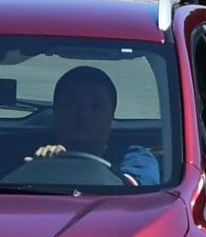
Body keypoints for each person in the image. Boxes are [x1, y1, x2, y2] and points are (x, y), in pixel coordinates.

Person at [33, 65, 161, 184]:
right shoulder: (31, 155)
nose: (84, 115)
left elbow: (137, 196)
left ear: (111, 115)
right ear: (56, 111)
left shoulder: (136, 158)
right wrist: (40, 168)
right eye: (72, 105)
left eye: (96, 107)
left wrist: (60, 170)